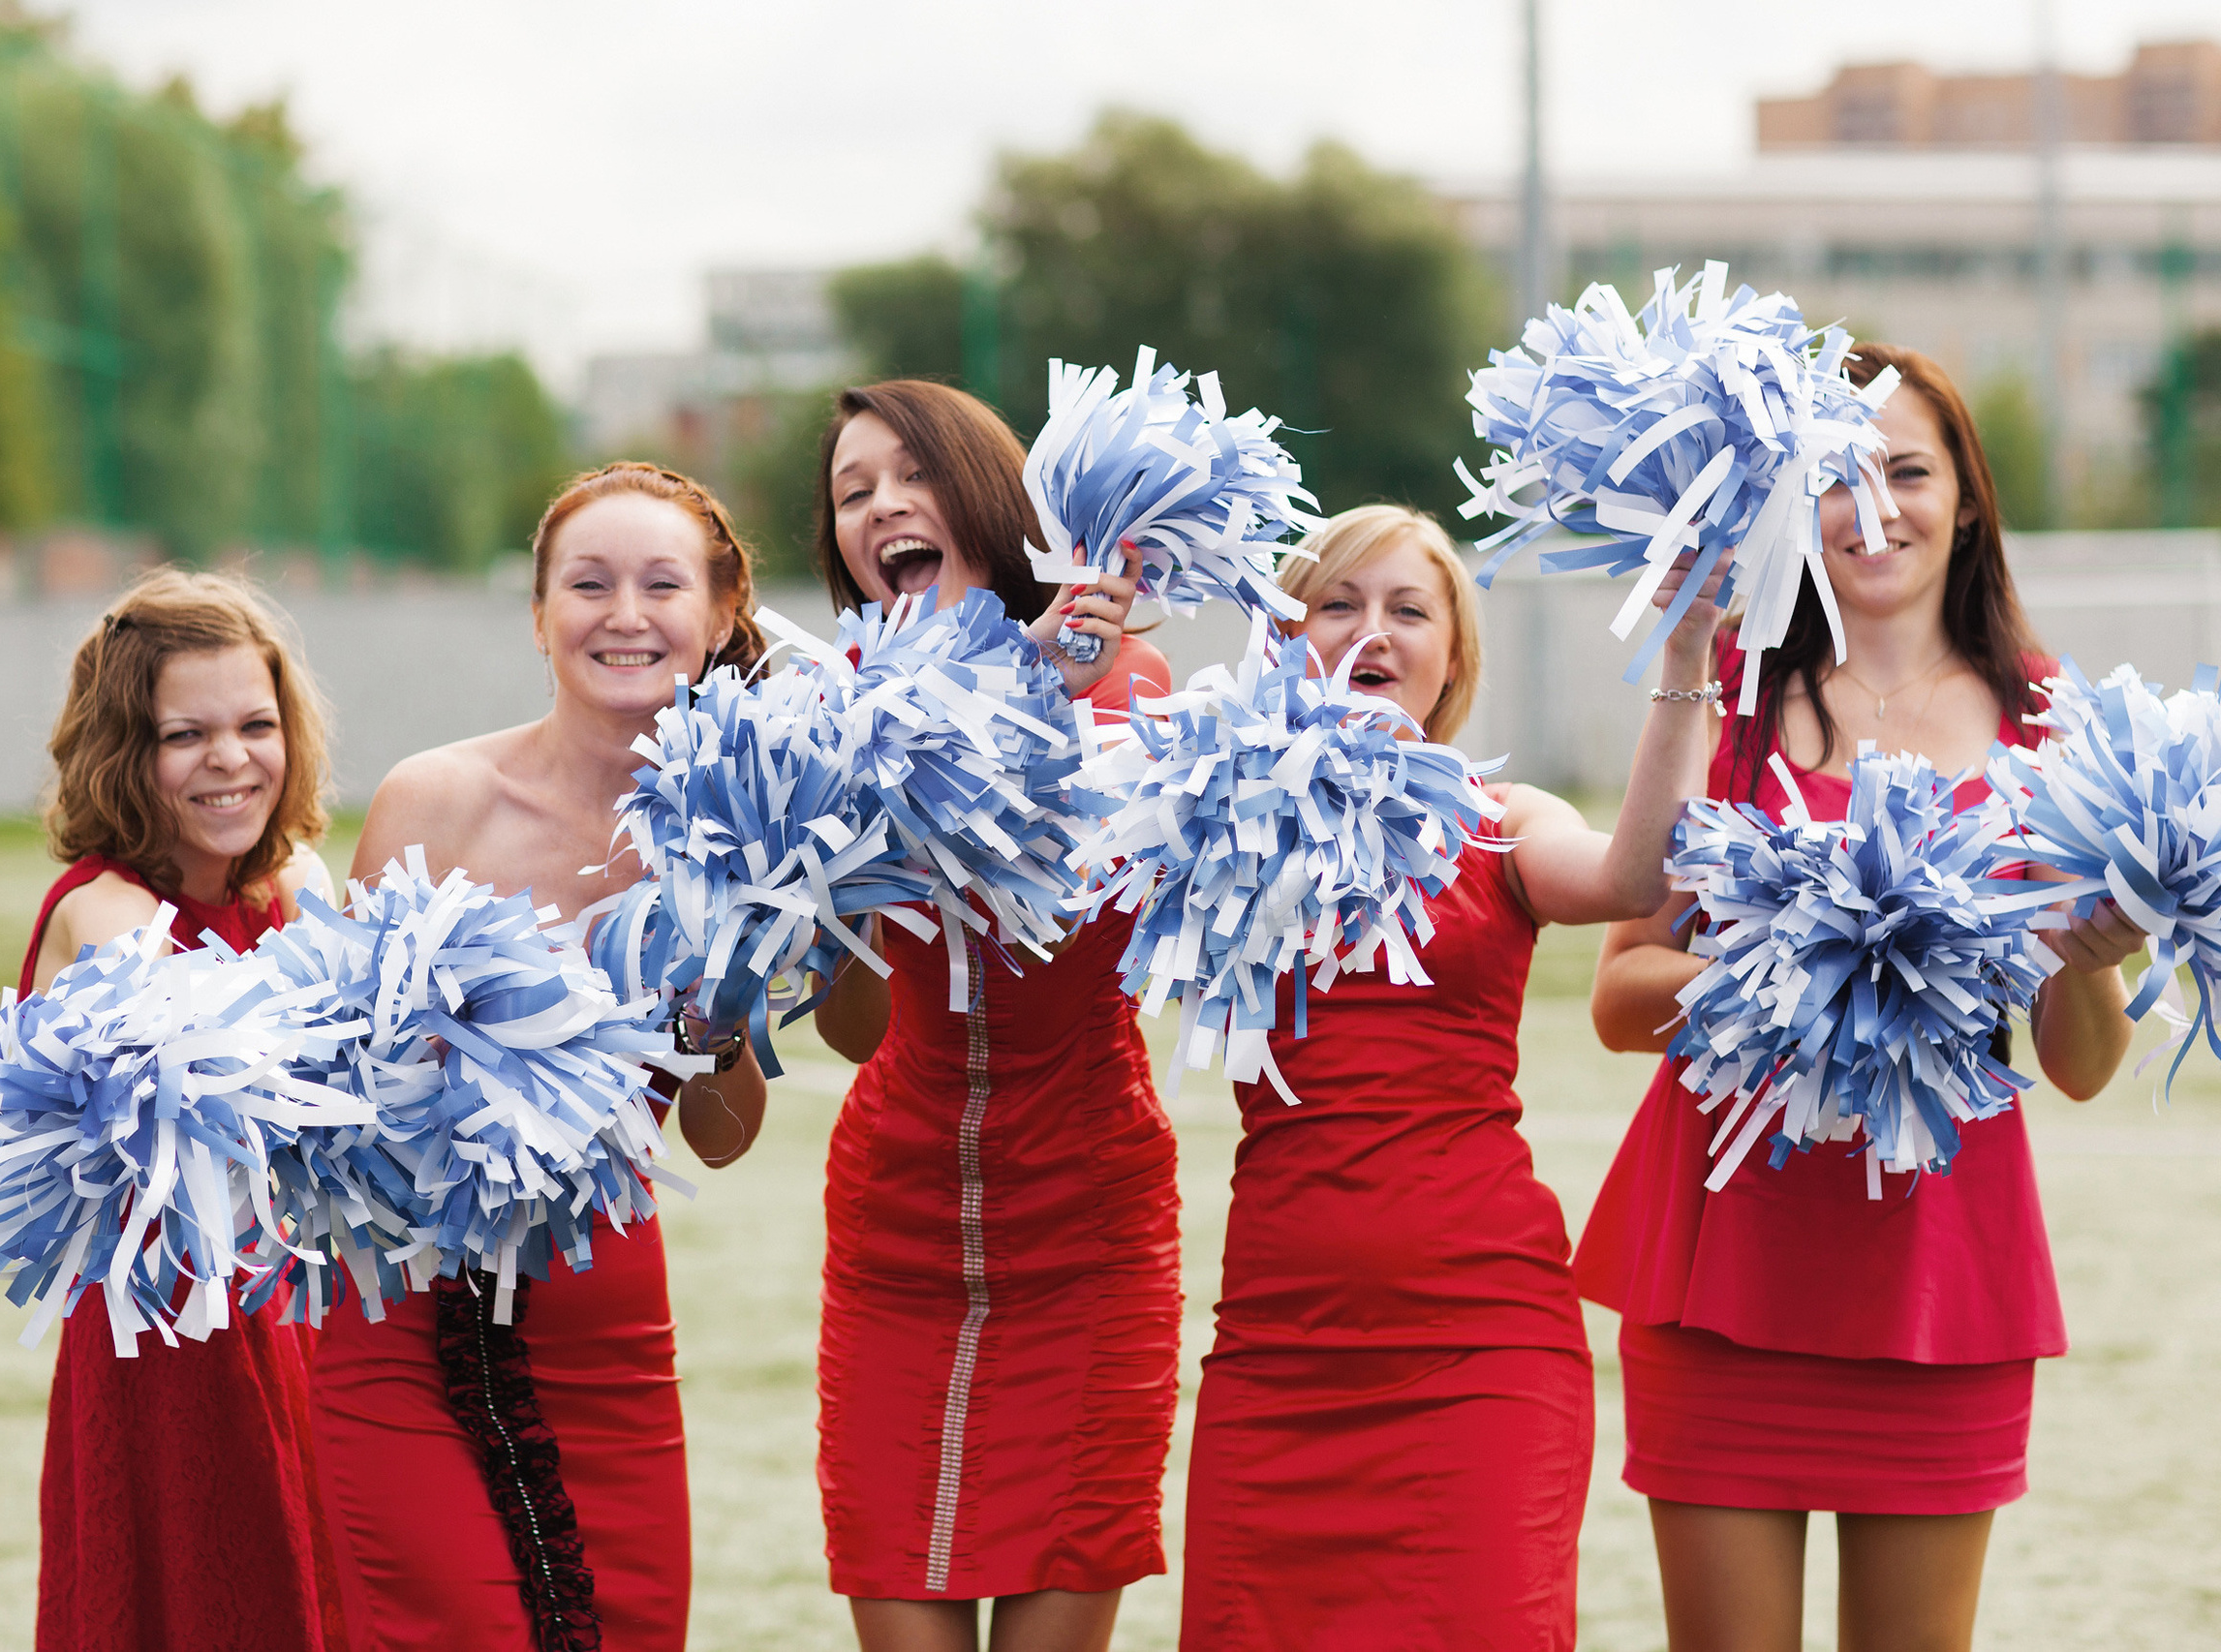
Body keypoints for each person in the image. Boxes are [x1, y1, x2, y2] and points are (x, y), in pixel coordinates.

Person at [1574, 344, 2144, 1652]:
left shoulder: (2049, 717)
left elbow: (2082, 1064)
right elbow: (1619, 997)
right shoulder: (1728, 697)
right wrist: (1788, 968)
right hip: (1727, 1266)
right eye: (1835, 475)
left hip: (1943, 1276)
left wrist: (2092, 954)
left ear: (1970, 497)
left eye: (1907, 469)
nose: (1873, 505)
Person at [1180, 503, 1737, 1652]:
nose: (1369, 631)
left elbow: (1633, 876)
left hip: (1478, 1350)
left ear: (1451, 657)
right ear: (1285, 636)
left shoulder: (1501, 820)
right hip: (1278, 1353)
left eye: (1405, 609)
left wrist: (1684, 657)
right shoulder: (1214, 821)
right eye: (1337, 603)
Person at [306, 461, 770, 1652]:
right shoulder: (436, 800)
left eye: (662, 583)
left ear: (718, 616)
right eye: (589, 583)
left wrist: (719, 1004)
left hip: (607, 1337)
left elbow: (716, 1134)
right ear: (539, 616)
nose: (625, 613)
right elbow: (338, 1094)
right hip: (403, 1326)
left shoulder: (747, 831)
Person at [808, 380, 1178, 1652]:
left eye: (910, 475)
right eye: (854, 492)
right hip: (896, 1227)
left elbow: (1098, 934)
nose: (882, 505)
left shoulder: (1132, 684)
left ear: (986, 499)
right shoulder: (824, 721)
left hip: (1092, 1222)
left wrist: (1047, 702)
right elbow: (856, 1028)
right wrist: (830, 872)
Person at [21, 566, 341, 1652]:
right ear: (125, 752)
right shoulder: (103, 915)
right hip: (165, 1354)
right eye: (184, 734)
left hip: (295, 1319)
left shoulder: (294, 882)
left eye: (257, 723)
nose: (230, 757)